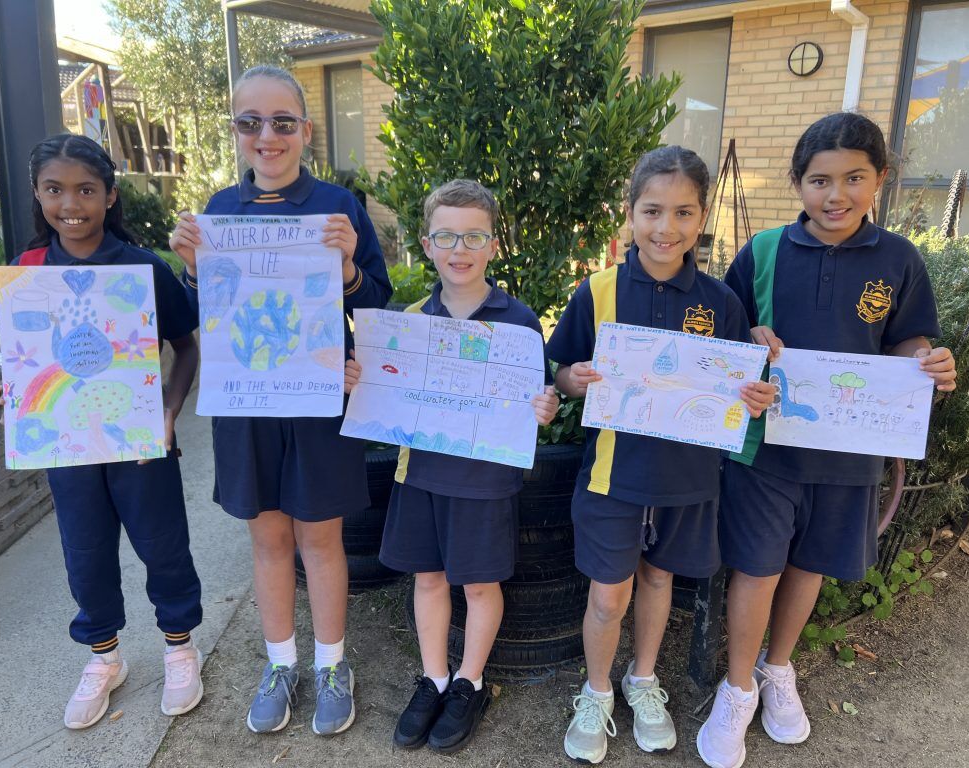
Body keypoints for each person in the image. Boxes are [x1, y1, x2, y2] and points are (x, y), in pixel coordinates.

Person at [696, 112, 957, 768]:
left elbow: (907, 339)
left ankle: (777, 668)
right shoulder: (761, 253)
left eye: (853, 178)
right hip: (765, 448)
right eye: (819, 180)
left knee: (808, 565)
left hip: (852, 448)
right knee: (756, 568)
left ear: (880, 179)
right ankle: (738, 688)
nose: (835, 194)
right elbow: (722, 338)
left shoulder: (899, 259)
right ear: (797, 183)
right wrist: (744, 341)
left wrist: (928, 360)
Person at [168, 64, 391, 736]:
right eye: (250, 122)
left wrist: (350, 267)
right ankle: (279, 663)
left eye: (282, 122)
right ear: (236, 131)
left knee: (321, 541)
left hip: (317, 400)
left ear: (305, 130)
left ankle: (331, 665)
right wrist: (189, 267)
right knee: (267, 541)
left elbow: (378, 301)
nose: (267, 135)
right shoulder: (217, 212)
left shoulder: (338, 207)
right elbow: (202, 311)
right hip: (245, 404)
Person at [546, 146, 775, 764]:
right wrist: (576, 379)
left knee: (659, 578)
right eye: (651, 211)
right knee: (606, 594)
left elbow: (736, 385)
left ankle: (642, 679)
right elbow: (562, 370)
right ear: (629, 214)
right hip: (612, 473)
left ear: (701, 219)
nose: (665, 228)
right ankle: (596, 690)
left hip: (688, 476)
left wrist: (753, 396)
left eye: (682, 213)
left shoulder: (722, 302)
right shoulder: (596, 292)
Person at [2, 133, 204, 729]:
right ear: (38, 196)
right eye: (55, 190)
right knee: (85, 552)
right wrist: (16, 386)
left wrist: (167, 412)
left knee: (162, 544)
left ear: (110, 196)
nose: (72, 204)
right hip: (68, 448)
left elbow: (185, 348)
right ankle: (103, 658)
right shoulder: (27, 273)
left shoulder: (143, 268)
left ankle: (179, 647)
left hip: (140, 443)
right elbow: (27, 359)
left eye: (86, 189)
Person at [370, 180, 559, 753]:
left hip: (484, 478)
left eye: (473, 236)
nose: (460, 247)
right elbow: (388, 396)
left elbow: (533, 403)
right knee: (427, 577)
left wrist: (544, 407)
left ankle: (470, 681)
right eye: (447, 235)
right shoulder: (409, 320)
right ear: (426, 244)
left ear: (493, 245)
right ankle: (433, 677)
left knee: (479, 584)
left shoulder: (520, 321)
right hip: (421, 471)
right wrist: (367, 382)